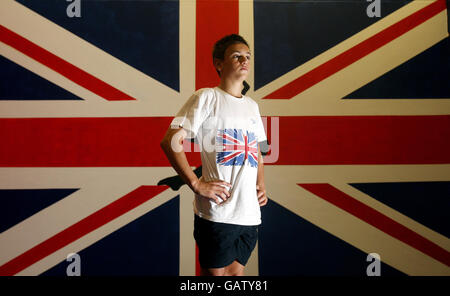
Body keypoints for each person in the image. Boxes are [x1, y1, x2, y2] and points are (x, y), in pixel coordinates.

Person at [160, 34, 268, 276]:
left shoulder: (252, 106)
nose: (244, 60)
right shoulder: (206, 97)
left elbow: (257, 151)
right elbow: (170, 141)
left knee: (236, 277)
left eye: (248, 56)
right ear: (219, 64)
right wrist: (196, 184)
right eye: (236, 56)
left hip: (249, 214)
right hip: (218, 212)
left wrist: (261, 183)